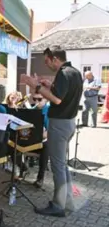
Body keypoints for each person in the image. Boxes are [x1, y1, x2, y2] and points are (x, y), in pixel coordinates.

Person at [21, 45, 83, 217]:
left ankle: (58, 205)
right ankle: (67, 201)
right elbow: (63, 93)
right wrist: (49, 84)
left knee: (57, 166)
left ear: (55, 58)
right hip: (69, 123)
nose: (47, 64)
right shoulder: (74, 72)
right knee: (62, 165)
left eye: (47, 61)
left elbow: (56, 100)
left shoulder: (63, 73)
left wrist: (36, 87)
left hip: (59, 124)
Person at [30, 93, 50, 189]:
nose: (36, 102)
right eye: (34, 99)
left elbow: (50, 130)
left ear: (45, 99)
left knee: (46, 147)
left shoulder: (50, 110)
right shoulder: (32, 110)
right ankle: (22, 169)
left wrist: (45, 134)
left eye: (39, 99)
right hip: (30, 138)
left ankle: (40, 178)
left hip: (43, 139)